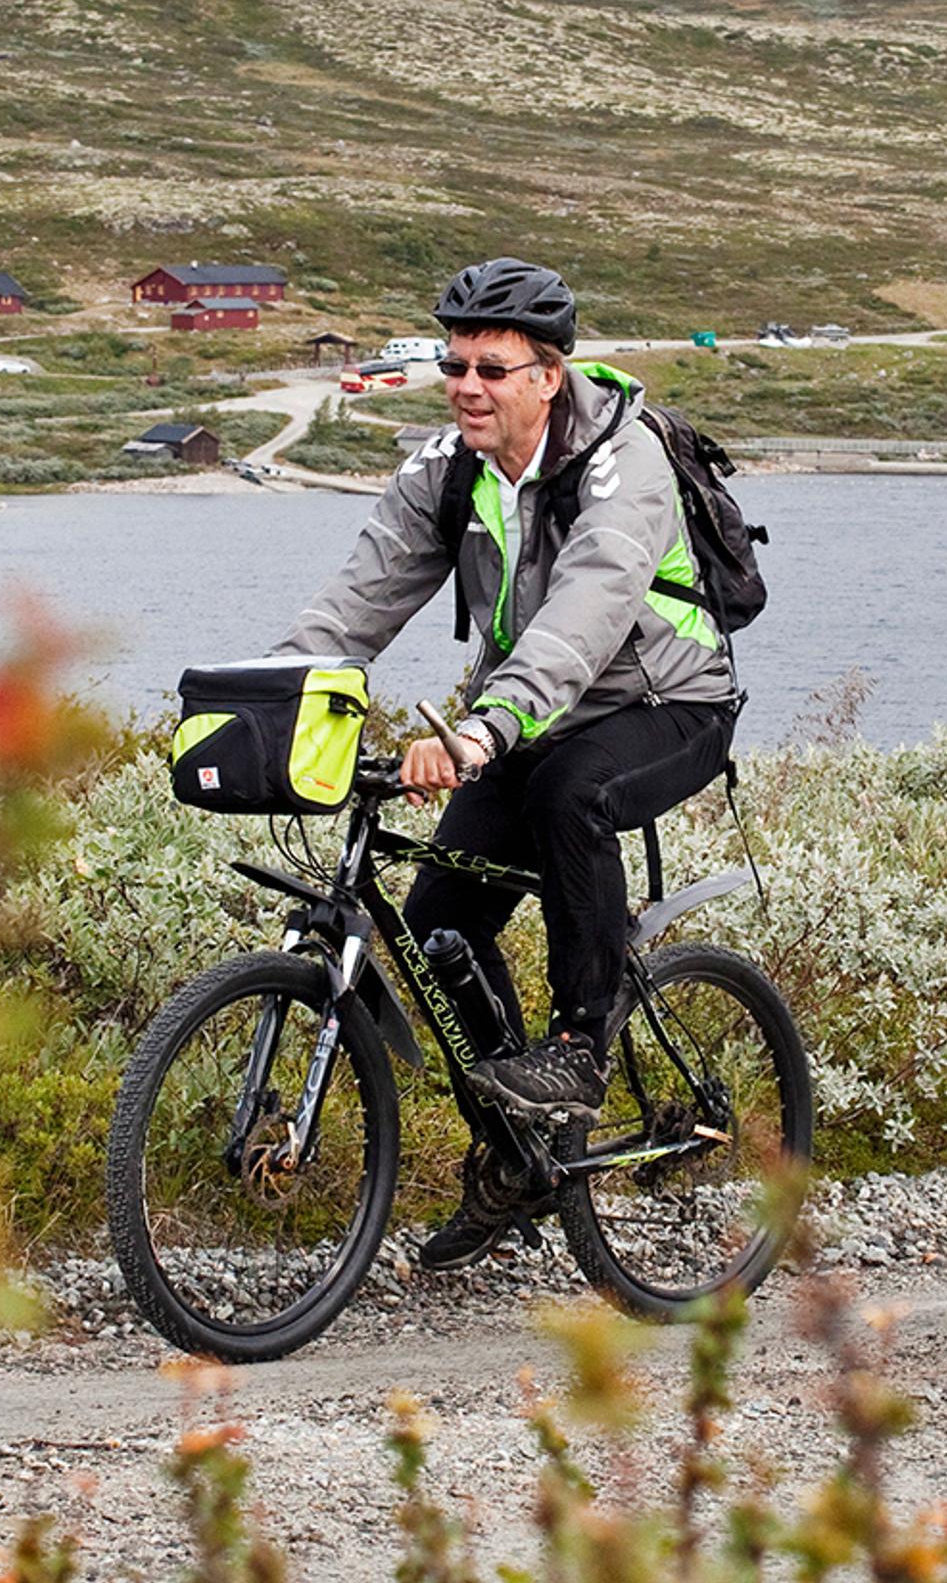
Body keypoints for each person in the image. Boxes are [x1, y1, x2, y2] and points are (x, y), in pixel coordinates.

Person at [274, 257, 740, 1270]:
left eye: (492, 369)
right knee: (437, 920)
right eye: (455, 367)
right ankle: (516, 1157)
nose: (468, 387)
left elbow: (586, 611)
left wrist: (487, 729)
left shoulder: (623, 463)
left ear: (549, 376)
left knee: (574, 795)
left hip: (667, 703)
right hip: (529, 717)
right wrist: (273, 696)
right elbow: (357, 600)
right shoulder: (449, 468)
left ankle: (578, 1049)